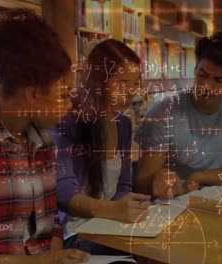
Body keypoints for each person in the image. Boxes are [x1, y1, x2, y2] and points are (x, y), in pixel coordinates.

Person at [0, 9, 89, 263]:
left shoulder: (44, 144)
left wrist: (55, 256)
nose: (69, 105)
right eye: (63, 96)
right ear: (32, 92)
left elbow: (51, 226)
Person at [51, 39, 150, 255]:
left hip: (110, 224)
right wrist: (114, 211)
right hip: (75, 233)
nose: (131, 91)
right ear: (98, 82)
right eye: (122, 83)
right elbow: (65, 194)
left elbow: (123, 186)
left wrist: (130, 205)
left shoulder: (123, 122)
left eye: (135, 82)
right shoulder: (67, 122)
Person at [135, 32, 222, 198]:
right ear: (195, 68)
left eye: (219, 80)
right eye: (202, 75)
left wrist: (200, 178)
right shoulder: (163, 113)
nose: (206, 86)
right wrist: (156, 181)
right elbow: (140, 184)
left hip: (217, 199)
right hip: (174, 204)